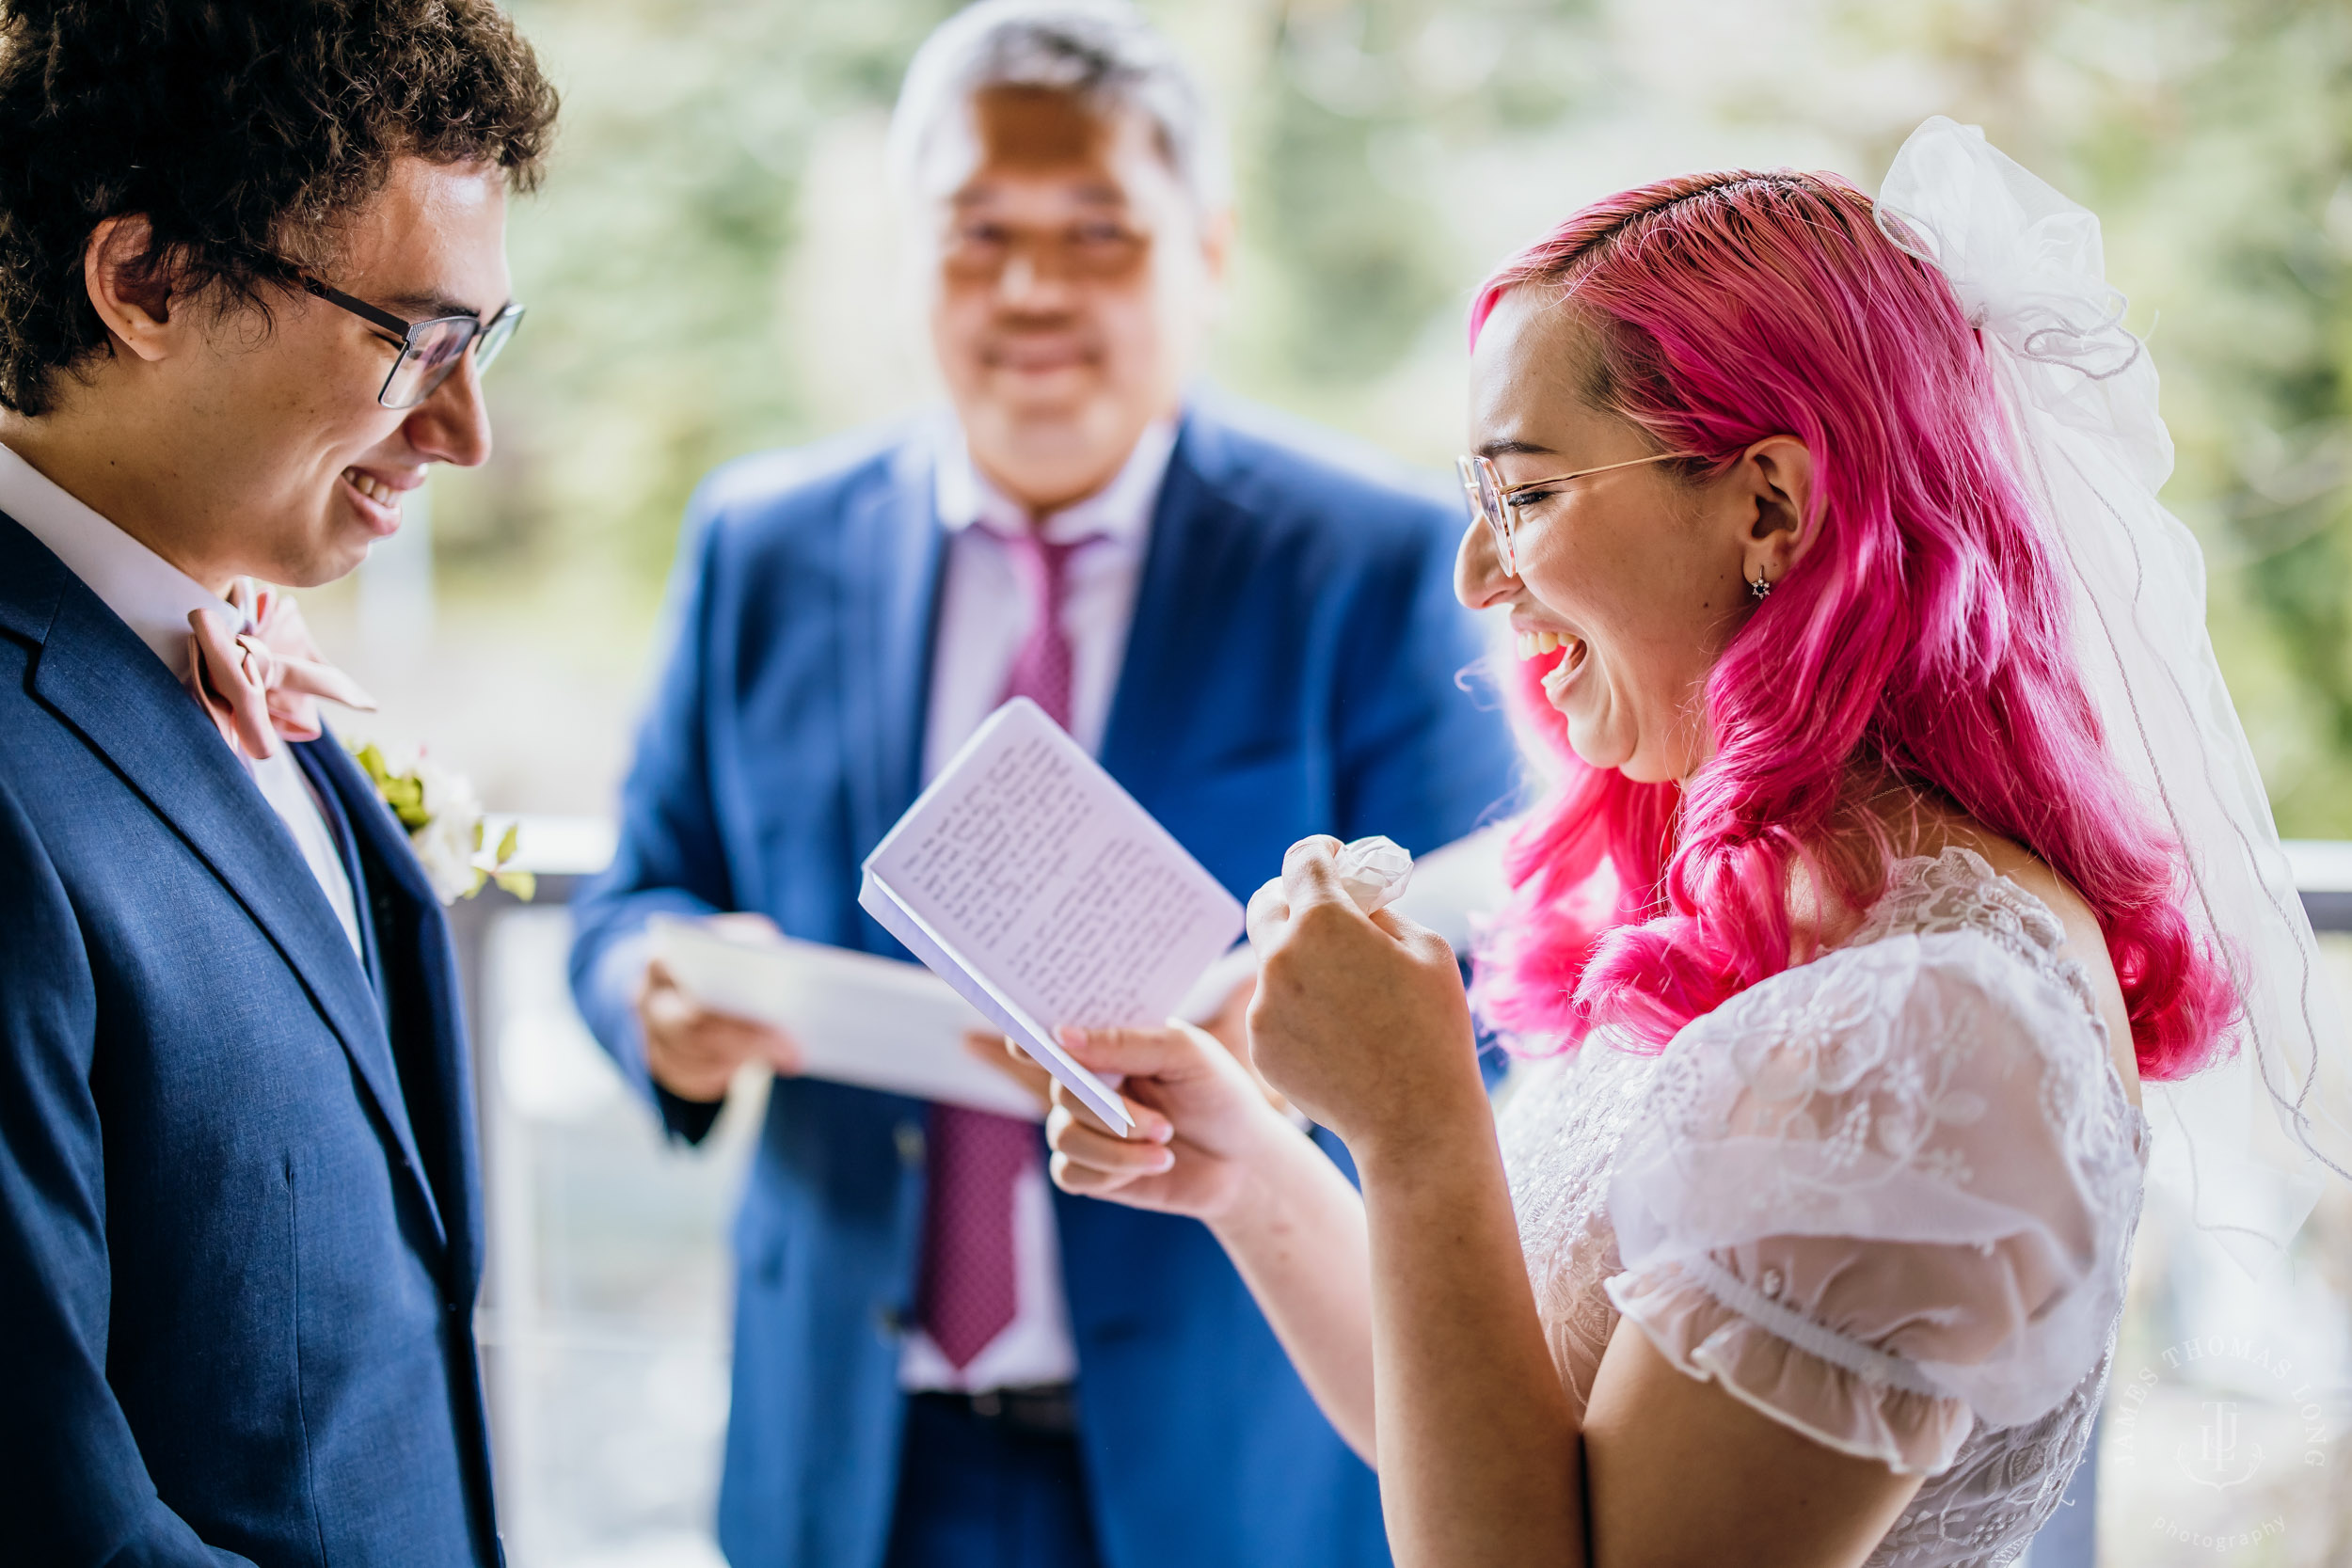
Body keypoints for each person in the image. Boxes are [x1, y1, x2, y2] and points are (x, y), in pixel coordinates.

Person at [1042, 120, 2342, 1568]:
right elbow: (1517, 1453)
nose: (1477, 571)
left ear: (1770, 506)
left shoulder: (1932, 1038)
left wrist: (1417, 1134)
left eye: (1525, 495)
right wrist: (1247, 1165)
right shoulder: (1792, 914)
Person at [565, 4, 1518, 1566]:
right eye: (978, 234)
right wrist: (654, 1002)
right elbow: (636, 899)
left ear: (1205, 253)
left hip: (1242, 1446)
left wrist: (1290, 1035)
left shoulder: (1370, 560)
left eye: (1095, 233)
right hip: (854, 1447)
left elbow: (1496, 949)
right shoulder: (762, 542)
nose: (1030, 290)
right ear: (909, 254)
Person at [0, 2, 556, 1560]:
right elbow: (54, 1513)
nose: (465, 430)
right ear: (147, 281)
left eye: (481, 340)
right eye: (415, 341)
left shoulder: (217, 631)